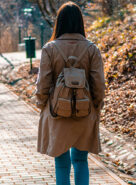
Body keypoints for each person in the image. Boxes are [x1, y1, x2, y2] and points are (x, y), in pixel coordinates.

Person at [34, 2, 105, 185]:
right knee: (81, 160)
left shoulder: (50, 48)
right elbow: (98, 84)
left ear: (60, 22)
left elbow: (43, 83)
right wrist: (97, 105)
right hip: (84, 111)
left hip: (58, 112)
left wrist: (41, 103)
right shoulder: (91, 49)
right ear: (80, 22)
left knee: (61, 162)